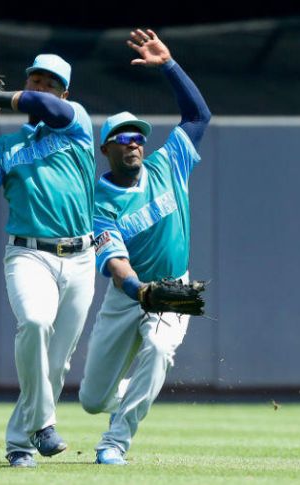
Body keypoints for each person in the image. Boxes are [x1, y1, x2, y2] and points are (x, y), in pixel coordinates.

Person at [0, 54, 96, 468]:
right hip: (29, 254)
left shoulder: (75, 120)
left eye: (50, 83)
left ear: (64, 92)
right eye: (36, 79)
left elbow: (47, 108)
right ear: (26, 81)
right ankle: (43, 426)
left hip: (81, 258)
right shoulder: (8, 145)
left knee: (56, 363)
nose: (41, 87)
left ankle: (18, 443)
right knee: (33, 322)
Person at [78, 29, 211, 465]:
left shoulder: (168, 162)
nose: (134, 143)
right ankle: (129, 397)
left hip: (173, 287)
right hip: (126, 298)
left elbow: (198, 117)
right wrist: (140, 293)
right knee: (92, 399)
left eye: (138, 137)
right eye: (123, 138)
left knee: (158, 348)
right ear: (106, 149)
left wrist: (170, 66)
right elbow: (114, 261)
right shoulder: (98, 200)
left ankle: (115, 442)